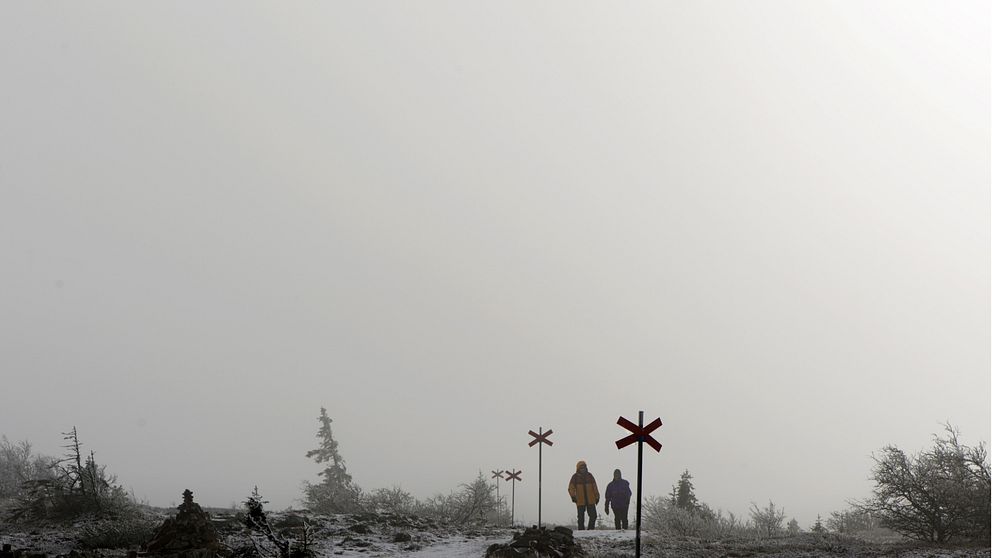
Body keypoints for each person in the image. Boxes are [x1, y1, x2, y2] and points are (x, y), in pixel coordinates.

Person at [567, 460, 600, 530]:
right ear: (578, 468)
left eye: (584, 467)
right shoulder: (575, 477)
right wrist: (573, 496)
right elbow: (571, 488)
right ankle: (581, 531)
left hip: (591, 500)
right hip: (580, 500)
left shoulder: (590, 476)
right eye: (581, 468)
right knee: (581, 518)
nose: (583, 469)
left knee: (593, 516)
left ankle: (590, 530)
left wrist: (597, 497)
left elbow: (595, 487)